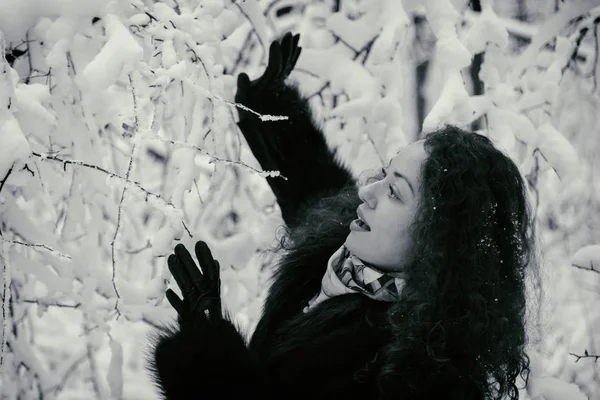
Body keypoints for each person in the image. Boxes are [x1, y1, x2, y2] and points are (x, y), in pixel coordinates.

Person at [147, 32, 539, 400]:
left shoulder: (418, 377)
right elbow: (317, 194)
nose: (368, 192)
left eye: (394, 191)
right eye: (385, 174)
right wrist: (275, 114)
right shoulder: (349, 262)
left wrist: (210, 367)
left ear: (436, 241)